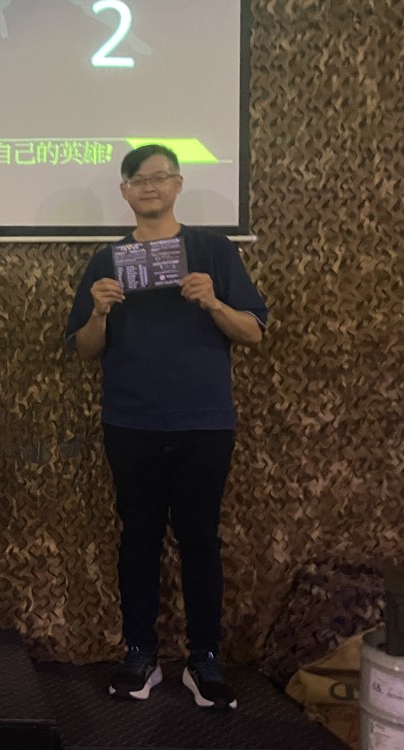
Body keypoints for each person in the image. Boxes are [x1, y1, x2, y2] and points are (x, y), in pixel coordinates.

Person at [65, 144, 267, 712]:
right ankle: (140, 655)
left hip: (204, 419)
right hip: (130, 418)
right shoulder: (108, 259)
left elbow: (253, 331)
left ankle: (205, 659)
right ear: (124, 192)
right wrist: (99, 312)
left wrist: (213, 303)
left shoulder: (212, 250)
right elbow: (84, 349)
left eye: (159, 177)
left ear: (177, 184)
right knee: (139, 538)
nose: (149, 186)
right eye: (138, 179)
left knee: (201, 539)